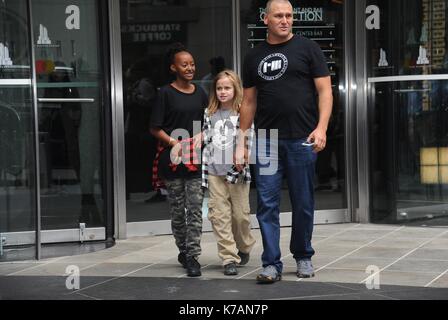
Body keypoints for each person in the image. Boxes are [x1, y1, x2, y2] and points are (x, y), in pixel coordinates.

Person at [236, 0, 333, 283]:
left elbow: (325, 91)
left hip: (302, 137)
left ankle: (303, 256)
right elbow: (249, 101)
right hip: (266, 139)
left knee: (303, 201)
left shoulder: (308, 48)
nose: (285, 20)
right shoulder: (253, 56)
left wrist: (322, 127)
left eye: (289, 15)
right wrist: (241, 142)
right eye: (279, 15)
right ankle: (271, 264)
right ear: (265, 19)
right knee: (267, 203)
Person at [150, 43, 207, 277]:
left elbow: (208, 122)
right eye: (184, 64)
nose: (190, 68)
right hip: (172, 159)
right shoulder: (165, 93)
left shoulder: (201, 92)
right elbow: (154, 128)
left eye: (192, 64)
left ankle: (193, 256)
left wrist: (201, 137)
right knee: (177, 211)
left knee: (195, 209)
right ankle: (182, 250)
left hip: (195, 158)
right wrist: (175, 143)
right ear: (174, 67)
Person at [201, 70, 256, 276]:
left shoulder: (242, 111)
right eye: (219, 88)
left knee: (240, 216)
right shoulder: (209, 112)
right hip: (214, 171)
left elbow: (249, 136)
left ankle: (243, 246)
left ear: (236, 89)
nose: (223, 92)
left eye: (227, 88)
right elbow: (207, 135)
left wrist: (245, 155)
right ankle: (228, 257)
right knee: (220, 216)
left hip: (236, 172)